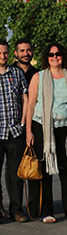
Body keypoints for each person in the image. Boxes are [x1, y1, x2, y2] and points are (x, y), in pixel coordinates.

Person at [26, 43, 67, 223]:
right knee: (44, 171)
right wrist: (28, 131)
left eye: (58, 54)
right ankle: (46, 211)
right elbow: (30, 105)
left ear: (63, 56)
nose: (55, 57)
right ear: (47, 57)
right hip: (42, 127)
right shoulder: (38, 77)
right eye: (51, 54)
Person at [0, 40, 28, 223]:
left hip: (15, 131)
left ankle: (16, 210)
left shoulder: (16, 73)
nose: (3, 56)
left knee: (16, 174)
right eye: (0, 53)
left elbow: (25, 98)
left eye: (5, 53)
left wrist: (23, 122)